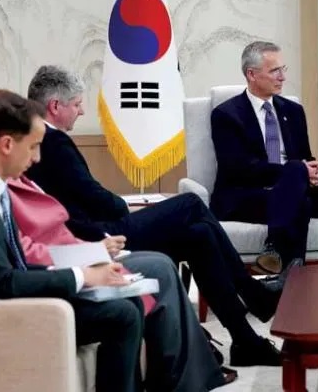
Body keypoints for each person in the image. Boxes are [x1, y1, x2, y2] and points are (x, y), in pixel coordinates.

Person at [24, 65, 288, 366]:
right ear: (55, 106)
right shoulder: (52, 142)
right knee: (190, 203)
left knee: (200, 235)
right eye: (76, 104)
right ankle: (253, 294)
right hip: (99, 236)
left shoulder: (38, 140)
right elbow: (94, 196)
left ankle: (245, 340)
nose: (81, 111)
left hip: (90, 228)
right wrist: (125, 206)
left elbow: (79, 196)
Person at [0, 89, 221, 392]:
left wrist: (87, 268)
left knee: (133, 299)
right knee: (124, 310)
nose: (37, 158)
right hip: (9, 308)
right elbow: (1, 281)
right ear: (6, 145)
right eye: (33, 147)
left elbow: (15, 259)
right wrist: (83, 275)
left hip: (35, 281)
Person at [210, 40, 318, 274]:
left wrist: (313, 174)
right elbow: (238, 168)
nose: (282, 77)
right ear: (251, 74)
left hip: (289, 190)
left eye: (283, 69)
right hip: (247, 196)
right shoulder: (226, 115)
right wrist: (298, 171)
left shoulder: (293, 111)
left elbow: (305, 157)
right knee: (301, 201)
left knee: (299, 187)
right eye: (274, 71)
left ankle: (274, 254)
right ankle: (293, 277)